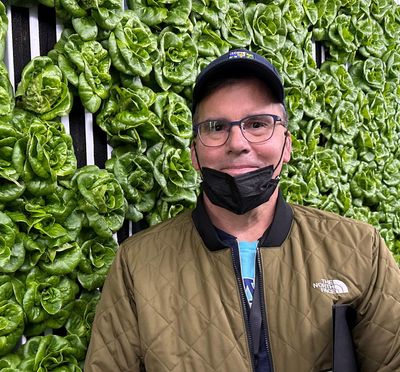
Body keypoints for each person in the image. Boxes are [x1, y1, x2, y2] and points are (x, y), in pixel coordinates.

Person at [84, 49, 400, 372]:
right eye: (216, 127)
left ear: (287, 144)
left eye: (258, 124)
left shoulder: (360, 250)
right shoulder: (137, 266)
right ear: (194, 153)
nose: (237, 142)